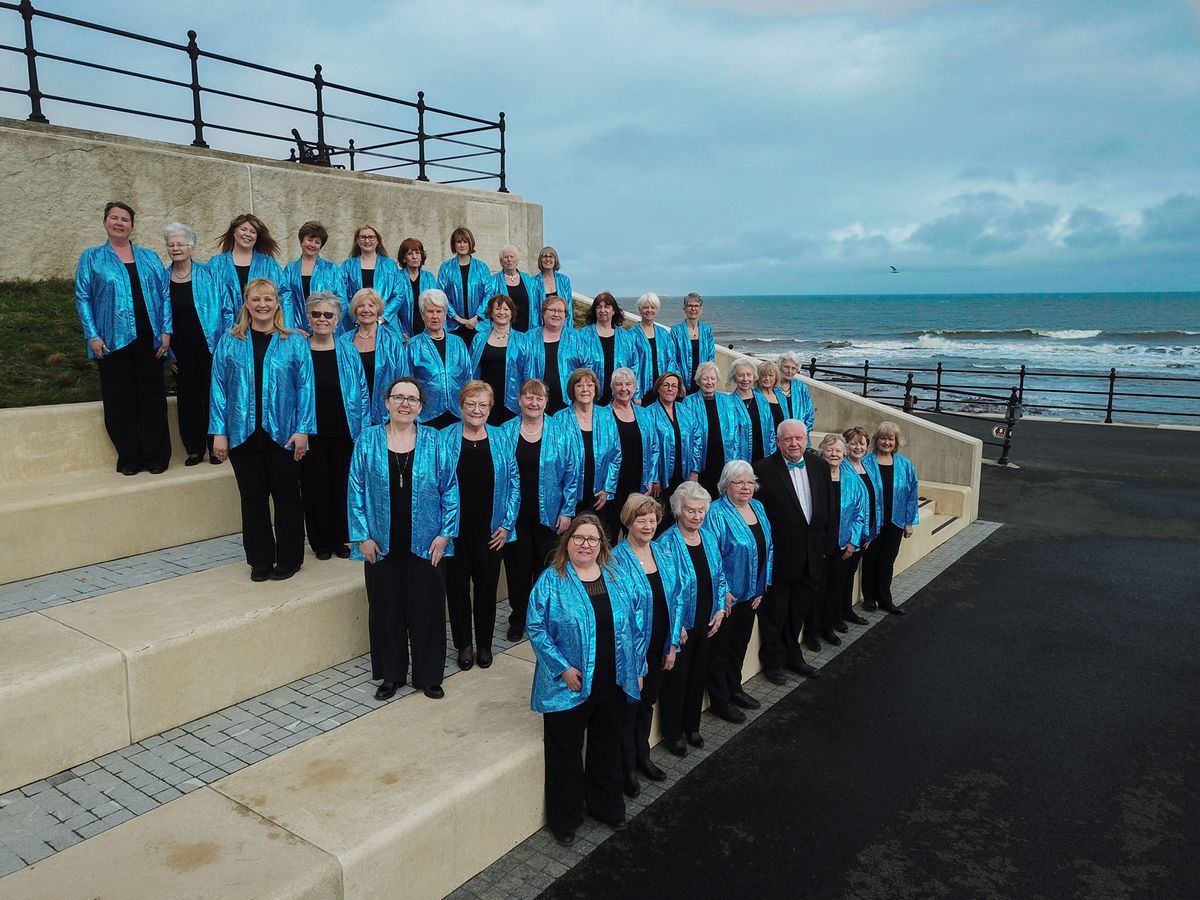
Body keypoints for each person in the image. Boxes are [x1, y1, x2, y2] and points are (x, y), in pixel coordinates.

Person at [527, 513, 646, 847]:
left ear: (601, 545)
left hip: (612, 680)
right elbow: (536, 627)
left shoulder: (615, 576)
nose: (586, 545)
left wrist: (637, 668)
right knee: (564, 752)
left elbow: (634, 625)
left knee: (607, 744)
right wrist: (562, 667)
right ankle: (565, 819)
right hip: (570, 684)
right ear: (568, 542)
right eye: (579, 538)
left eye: (592, 539)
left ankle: (606, 806)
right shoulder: (552, 580)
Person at [347, 376, 459, 701]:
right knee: (386, 611)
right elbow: (355, 490)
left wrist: (445, 534)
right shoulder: (367, 441)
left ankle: (428, 676)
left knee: (428, 611)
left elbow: (450, 489)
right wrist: (362, 537)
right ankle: (392, 675)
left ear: (421, 407)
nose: (405, 404)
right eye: (398, 397)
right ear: (387, 402)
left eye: (412, 399)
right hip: (381, 544)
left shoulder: (435, 441)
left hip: (427, 545)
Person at [210, 278, 314, 582]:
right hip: (242, 434)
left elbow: (305, 387)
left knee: (287, 498)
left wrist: (303, 429)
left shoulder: (293, 341)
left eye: (268, 299)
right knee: (252, 499)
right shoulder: (230, 341)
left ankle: (290, 557)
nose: (262, 305)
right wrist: (219, 431)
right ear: (247, 303)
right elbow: (218, 388)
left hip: (283, 434)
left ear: (277, 303)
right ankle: (259, 559)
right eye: (256, 299)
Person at [75, 202, 173, 476]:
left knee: (152, 399)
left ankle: (156, 455)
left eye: (125, 219)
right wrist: (92, 335)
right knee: (119, 400)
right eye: (114, 218)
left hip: (149, 339)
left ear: (132, 225)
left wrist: (166, 332)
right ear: (105, 222)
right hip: (111, 341)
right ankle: (129, 457)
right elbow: (83, 297)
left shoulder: (150, 257)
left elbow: (165, 295)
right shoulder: (92, 258)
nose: (119, 223)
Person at [438, 381, 519, 671]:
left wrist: (507, 525)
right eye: (471, 404)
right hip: (455, 533)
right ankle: (464, 645)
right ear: (461, 406)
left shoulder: (501, 438)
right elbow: (434, 486)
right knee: (457, 591)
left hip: (491, 532)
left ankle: (484, 643)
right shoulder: (443, 438)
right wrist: (442, 531)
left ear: (490, 408)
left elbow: (514, 484)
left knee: (486, 589)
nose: (476, 410)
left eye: (483, 405)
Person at [751, 419, 834, 683]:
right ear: (778, 441)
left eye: (799, 438)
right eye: (788, 439)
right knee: (775, 613)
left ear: (807, 439)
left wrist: (827, 545)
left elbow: (829, 507)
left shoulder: (819, 465)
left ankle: (793, 655)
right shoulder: (762, 469)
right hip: (781, 556)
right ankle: (773, 661)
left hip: (812, 554)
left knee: (798, 610)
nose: (794, 443)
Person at [501, 379, 581, 642]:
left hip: (550, 515)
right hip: (515, 517)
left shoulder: (560, 431)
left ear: (546, 402)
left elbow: (572, 474)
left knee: (546, 569)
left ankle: (544, 619)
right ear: (520, 399)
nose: (534, 403)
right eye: (529, 397)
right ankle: (518, 617)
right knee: (517, 570)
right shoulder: (505, 432)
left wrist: (567, 511)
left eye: (539, 398)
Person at [612, 494, 680, 797]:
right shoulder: (614, 559)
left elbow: (676, 598)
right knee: (628, 709)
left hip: (659, 643)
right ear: (629, 521)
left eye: (653, 520)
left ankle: (643, 757)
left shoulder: (662, 552)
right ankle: (625, 768)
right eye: (642, 520)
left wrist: (672, 644)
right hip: (630, 652)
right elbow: (618, 618)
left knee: (647, 704)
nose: (648, 525)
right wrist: (634, 663)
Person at [656, 481, 728, 757]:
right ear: (678, 511)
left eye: (701, 511)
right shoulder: (666, 543)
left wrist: (720, 609)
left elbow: (720, 576)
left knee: (698, 675)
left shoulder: (708, 538)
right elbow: (666, 590)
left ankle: (692, 726)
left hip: (706, 620)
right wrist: (677, 627)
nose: (696, 516)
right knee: (676, 681)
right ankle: (673, 734)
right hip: (682, 627)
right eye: (690, 511)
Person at [703, 460, 773, 724]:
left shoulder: (758, 507)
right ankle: (721, 701)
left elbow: (769, 547)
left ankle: (735, 689)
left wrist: (762, 586)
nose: (745, 487)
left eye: (749, 482)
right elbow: (712, 556)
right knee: (720, 650)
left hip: (752, 594)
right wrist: (724, 592)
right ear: (725, 485)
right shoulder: (716, 513)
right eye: (738, 482)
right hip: (728, 598)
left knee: (739, 646)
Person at [302, 292, 370, 560]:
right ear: (308, 318)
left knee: (341, 484)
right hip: (311, 430)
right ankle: (320, 541)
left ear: (337, 319)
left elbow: (362, 390)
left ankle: (340, 537)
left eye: (328, 315)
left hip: (344, 429)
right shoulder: (300, 348)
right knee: (315, 486)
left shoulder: (347, 348)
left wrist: (362, 428)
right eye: (316, 314)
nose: (322, 319)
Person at [163, 221, 223, 466]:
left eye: (181, 244)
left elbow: (226, 307)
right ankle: (195, 448)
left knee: (213, 395)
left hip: (210, 345)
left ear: (192, 247)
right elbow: (159, 315)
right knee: (187, 398)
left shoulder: (208, 273)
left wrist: (225, 343)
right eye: (171, 244)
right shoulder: (162, 278)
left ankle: (215, 446)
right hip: (180, 348)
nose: (176, 248)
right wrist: (168, 352)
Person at [813, 434, 869, 646]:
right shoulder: (814, 476)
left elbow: (859, 512)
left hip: (842, 544)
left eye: (838, 451)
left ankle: (828, 627)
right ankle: (813, 632)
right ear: (822, 452)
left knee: (835, 588)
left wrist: (853, 541)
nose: (834, 454)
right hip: (818, 546)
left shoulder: (852, 480)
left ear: (844, 454)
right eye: (830, 450)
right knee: (816, 591)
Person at [860, 421, 920, 616]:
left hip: (895, 521)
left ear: (896, 442)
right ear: (876, 441)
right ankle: (869, 598)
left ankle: (885, 599)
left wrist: (909, 522)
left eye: (890, 439)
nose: (887, 442)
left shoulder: (905, 464)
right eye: (883, 438)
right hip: (872, 522)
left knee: (887, 561)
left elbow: (912, 493)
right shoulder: (866, 463)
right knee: (870, 560)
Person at [555, 368, 621, 533]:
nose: (585, 389)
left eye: (590, 385)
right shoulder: (559, 419)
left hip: (598, 495)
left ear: (595, 389)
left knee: (595, 541)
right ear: (572, 390)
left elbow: (616, 455)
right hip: (567, 495)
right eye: (579, 385)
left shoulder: (606, 416)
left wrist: (608, 489)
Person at [400, 289, 472, 429]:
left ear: (445, 315)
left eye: (439, 311)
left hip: (456, 414)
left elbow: (467, 377)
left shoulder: (458, 343)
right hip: (426, 416)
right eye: (430, 311)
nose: (435, 316)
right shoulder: (413, 345)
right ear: (422, 315)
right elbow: (406, 382)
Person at [336, 288, 404, 425]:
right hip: (351, 414)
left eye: (371, 305)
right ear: (355, 310)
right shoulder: (343, 341)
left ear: (378, 310)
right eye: (361, 306)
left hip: (386, 414)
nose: (366, 310)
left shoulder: (392, 340)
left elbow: (402, 377)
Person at [684, 361, 750, 498]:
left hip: (724, 458)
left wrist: (735, 462)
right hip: (702, 460)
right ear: (698, 380)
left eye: (713, 378)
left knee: (724, 496)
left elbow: (736, 433)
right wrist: (693, 468)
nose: (709, 382)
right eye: (705, 378)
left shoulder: (727, 400)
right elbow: (688, 437)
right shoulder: (688, 402)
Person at [607, 368, 661, 539]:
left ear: (635, 387)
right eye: (619, 384)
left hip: (639, 479)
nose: (624, 388)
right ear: (612, 388)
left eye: (628, 384)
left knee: (636, 528)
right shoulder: (603, 414)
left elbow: (654, 447)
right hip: (613, 483)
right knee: (611, 529)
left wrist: (652, 477)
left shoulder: (644, 414)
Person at [643, 371, 697, 534]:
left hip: (684, 473)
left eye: (674, 386)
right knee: (662, 518)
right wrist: (653, 476)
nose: (670, 389)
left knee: (681, 516)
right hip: (662, 477)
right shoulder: (648, 413)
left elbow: (697, 440)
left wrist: (694, 470)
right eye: (666, 385)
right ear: (658, 388)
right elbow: (648, 448)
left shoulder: (686, 411)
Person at [208, 213, 284, 319]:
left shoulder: (268, 264)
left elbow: (284, 294)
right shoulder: (216, 263)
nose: (248, 234)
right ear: (234, 232)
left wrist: (286, 326)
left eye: (253, 232)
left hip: (263, 326)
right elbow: (210, 299)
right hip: (228, 328)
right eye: (243, 229)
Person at [469, 294, 529, 424]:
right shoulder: (479, 338)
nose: (502, 312)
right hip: (483, 400)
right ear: (491, 312)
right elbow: (471, 370)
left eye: (506, 309)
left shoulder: (523, 340)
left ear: (512, 313)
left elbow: (528, 372)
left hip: (512, 402)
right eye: (498, 308)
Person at [577, 292, 645, 405]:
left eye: (607, 307)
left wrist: (636, 394)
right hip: (590, 398)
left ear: (613, 311)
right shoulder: (583, 336)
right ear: (595, 311)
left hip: (621, 397)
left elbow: (634, 366)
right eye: (599, 307)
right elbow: (577, 367)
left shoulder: (626, 337)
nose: (602, 310)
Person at [840, 425, 877, 627]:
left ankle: (846, 610)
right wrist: (853, 538)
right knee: (842, 576)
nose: (857, 447)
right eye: (853, 443)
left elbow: (873, 502)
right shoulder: (843, 469)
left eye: (862, 443)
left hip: (863, 533)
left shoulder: (867, 467)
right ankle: (839, 613)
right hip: (848, 536)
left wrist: (870, 533)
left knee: (850, 573)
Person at [280, 221, 346, 332]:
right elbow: (285, 301)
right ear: (301, 241)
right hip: (298, 331)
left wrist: (329, 324)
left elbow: (341, 300)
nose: (312, 245)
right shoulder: (290, 269)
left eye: (317, 242)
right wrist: (292, 328)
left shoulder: (331, 268)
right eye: (309, 240)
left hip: (326, 329)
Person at [526, 294, 583, 415]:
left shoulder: (576, 337)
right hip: (535, 400)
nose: (556, 314)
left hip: (568, 400)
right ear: (543, 313)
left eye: (560, 311)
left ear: (565, 315)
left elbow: (585, 367)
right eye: (551, 310)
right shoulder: (529, 337)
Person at [341, 225, 403, 335]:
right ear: (357, 241)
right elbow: (342, 294)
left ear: (377, 240)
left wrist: (383, 317)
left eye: (371, 237)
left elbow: (399, 295)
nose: (367, 240)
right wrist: (355, 317)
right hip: (355, 324)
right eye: (363, 237)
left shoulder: (390, 265)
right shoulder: (348, 265)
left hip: (386, 323)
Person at [437, 226, 492, 339]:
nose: (462, 245)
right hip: (454, 326)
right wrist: (457, 318)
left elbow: (488, 294)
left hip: (479, 325)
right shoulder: (446, 267)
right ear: (454, 244)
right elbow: (441, 295)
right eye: (458, 242)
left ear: (470, 243)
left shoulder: (482, 267)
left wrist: (477, 317)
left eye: (465, 241)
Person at [729, 358, 777, 462]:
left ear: (754, 376)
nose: (745, 379)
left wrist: (772, 458)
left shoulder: (762, 399)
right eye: (741, 375)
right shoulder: (729, 403)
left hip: (764, 458)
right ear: (734, 378)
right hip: (740, 461)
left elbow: (771, 431)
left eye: (749, 375)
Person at [631, 292, 676, 400]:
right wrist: (635, 393)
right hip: (642, 391)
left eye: (653, 307)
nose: (649, 310)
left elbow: (671, 360)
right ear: (640, 309)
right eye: (646, 307)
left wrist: (668, 383)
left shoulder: (663, 333)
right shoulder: (631, 335)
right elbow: (631, 366)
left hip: (662, 390)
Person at [669, 292, 715, 393]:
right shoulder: (676, 331)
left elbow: (711, 358)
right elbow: (672, 359)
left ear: (701, 309)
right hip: (683, 383)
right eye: (690, 306)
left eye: (696, 306)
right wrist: (679, 382)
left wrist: (708, 380)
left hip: (702, 383)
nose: (693, 309)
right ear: (684, 309)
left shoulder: (707, 330)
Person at [393, 237, 439, 338]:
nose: (414, 257)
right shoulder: (397, 277)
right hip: (404, 333)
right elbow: (393, 309)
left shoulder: (429, 277)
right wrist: (401, 333)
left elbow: (436, 304)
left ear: (422, 256)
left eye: (417, 253)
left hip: (427, 331)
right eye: (410, 254)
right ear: (404, 258)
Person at [486, 244, 537, 332]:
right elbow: (489, 306)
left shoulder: (528, 279)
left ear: (517, 260)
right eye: (506, 257)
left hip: (527, 329)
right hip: (503, 329)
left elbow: (535, 305)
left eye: (512, 257)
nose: (509, 260)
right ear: (501, 261)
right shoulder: (493, 281)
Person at [531, 245, 573, 330]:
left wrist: (568, 328)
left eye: (551, 256)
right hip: (541, 328)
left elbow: (568, 306)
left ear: (555, 260)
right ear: (540, 260)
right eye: (545, 256)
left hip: (561, 327)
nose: (548, 259)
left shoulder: (564, 280)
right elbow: (533, 309)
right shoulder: (533, 282)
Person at [778, 353, 815, 430]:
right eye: (786, 367)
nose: (790, 371)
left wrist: (801, 435)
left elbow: (810, 416)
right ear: (780, 367)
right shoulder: (773, 387)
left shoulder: (802, 387)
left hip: (801, 437)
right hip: (780, 438)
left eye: (793, 368)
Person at [754, 360, 787, 441]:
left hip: (780, 442)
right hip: (760, 441)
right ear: (758, 377)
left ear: (776, 378)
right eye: (763, 375)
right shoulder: (753, 396)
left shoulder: (781, 396)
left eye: (770, 375)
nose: (767, 378)